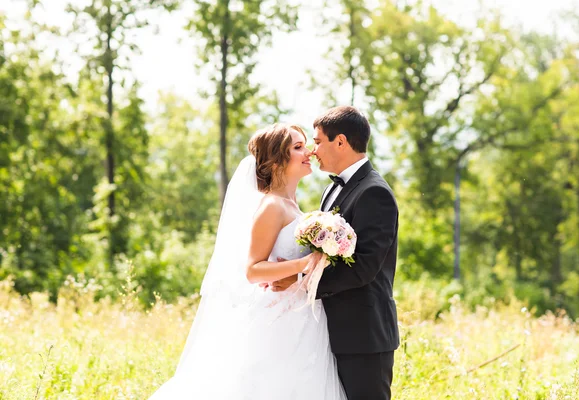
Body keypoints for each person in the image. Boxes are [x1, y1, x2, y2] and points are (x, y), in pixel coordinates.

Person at [149, 123, 347, 400]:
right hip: (276, 318)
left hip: (303, 316)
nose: (309, 152)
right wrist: (306, 264)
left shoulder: (293, 205)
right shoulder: (271, 206)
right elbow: (254, 270)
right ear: (277, 160)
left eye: (306, 145)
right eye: (298, 147)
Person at [272, 106, 399, 400]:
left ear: (340, 141)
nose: (314, 151)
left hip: (363, 337)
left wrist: (299, 281)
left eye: (318, 141)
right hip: (331, 333)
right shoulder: (332, 190)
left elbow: (364, 268)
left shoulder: (374, 192)